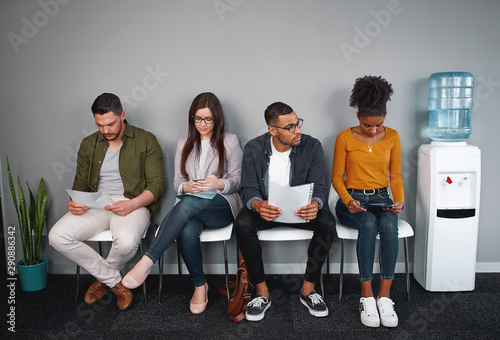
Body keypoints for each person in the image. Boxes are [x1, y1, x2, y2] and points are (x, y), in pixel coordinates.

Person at [122, 92, 243, 314]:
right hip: (192, 206)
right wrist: (185, 187)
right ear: (192, 118)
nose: (203, 124)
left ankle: (148, 260)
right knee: (187, 229)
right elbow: (178, 179)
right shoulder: (183, 143)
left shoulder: (230, 141)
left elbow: (237, 182)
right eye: (198, 118)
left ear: (217, 119)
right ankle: (200, 286)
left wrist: (218, 184)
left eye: (208, 119)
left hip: (221, 205)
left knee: (186, 205)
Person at [49, 93, 164, 311]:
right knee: (57, 236)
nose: (105, 131)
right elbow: (80, 185)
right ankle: (115, 282)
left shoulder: (146, 139)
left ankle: (102, 281)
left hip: (133, 203)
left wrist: (132, 204)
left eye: (110, 124)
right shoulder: (88, 144)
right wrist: (75, 202)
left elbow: (156, 186)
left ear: (122, 115)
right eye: (100, 125)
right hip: (97, 203)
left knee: (128, 241)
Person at [235, 101, 336, 321]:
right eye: (290, 127)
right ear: (272, 130)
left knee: (327, 223)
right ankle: (262, 292)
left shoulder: (312, 146)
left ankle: (308, 289)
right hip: (267, 209)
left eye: (297, 123)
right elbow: (248, 188)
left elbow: (319, 186)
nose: (298, 129)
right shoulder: (254, 147)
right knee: (242, 223)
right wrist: (257, 204)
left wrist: (316, 204)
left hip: (301, 210)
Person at [332, 75, 404, 328]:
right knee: (369, 225)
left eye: (379, 125)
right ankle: (366, 295)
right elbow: (336, 178)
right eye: (367, 125)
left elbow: (395, 175)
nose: (373, 131)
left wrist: (399, 201)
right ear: (358, 117)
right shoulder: (344, 138)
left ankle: (385, 296)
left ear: (385, 116)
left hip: (382, 198)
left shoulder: (393, 137)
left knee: (387, 225)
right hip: (351, 200)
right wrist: (349, 200)